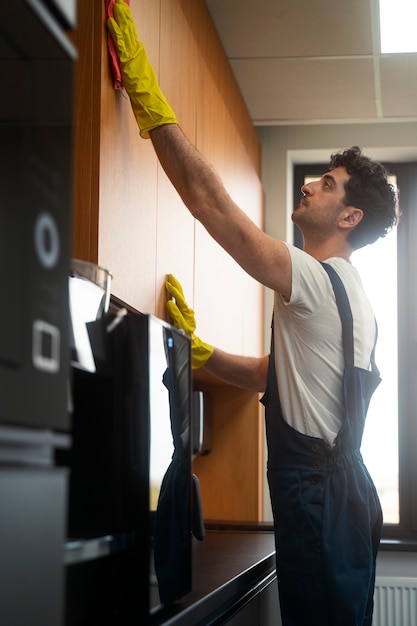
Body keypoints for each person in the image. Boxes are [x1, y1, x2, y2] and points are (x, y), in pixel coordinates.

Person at [107, 2, 399, 624]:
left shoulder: (316, 281)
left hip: (320, 501)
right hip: (341, 498)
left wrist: (147, 96)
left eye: (328, 182)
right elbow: (281, 378)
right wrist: (204, 352)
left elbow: (216, 208)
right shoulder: (353, 297)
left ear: (350, 217)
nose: (311, 184)